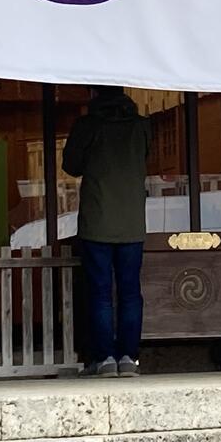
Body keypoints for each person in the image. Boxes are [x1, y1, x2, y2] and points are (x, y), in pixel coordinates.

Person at [62, 87, 149, 376]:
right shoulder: (141, 126)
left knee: (99, 293)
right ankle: (128, 357)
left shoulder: (88, 125)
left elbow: (71, 166)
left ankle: (104, 359)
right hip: (132, 221)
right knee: (130, 292)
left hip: (97, 219)